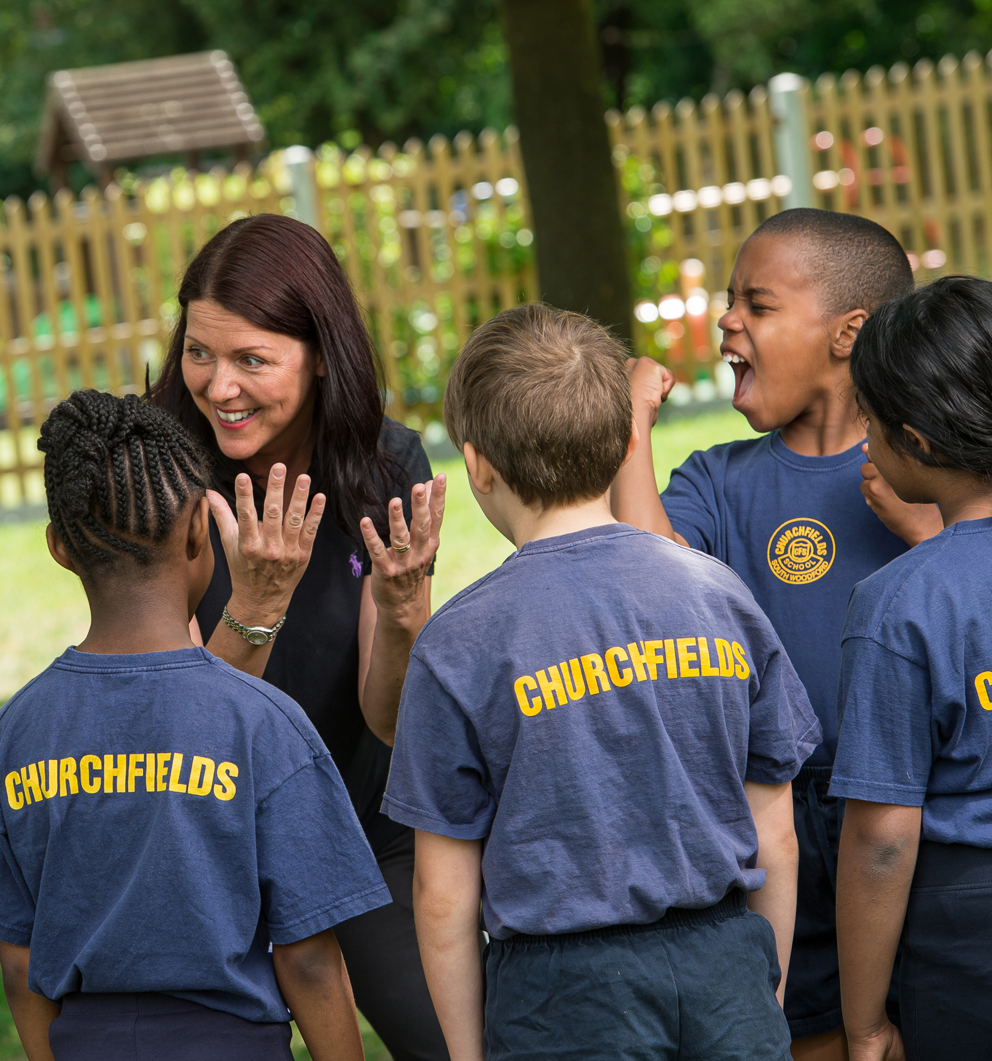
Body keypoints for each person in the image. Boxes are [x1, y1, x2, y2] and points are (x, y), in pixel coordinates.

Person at [392, 305, 820, 1061]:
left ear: (478, 464)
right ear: (628, 440)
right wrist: (763, 998)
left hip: (562, 997)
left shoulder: (458, 643)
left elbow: (442, 895)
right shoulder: (719, 595)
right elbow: (776, 838)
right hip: (726, 964)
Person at [0, 390, 392, 1061]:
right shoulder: (265, 725)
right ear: (201, 531)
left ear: (60, 548)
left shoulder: (13, 736)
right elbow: (310, 959)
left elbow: (17, 963)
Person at [609, 208, 938, 1061]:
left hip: (913, 802)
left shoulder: (929, 463)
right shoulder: (719, 479)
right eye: (731, 301)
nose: (727, 320)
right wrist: (632, 424)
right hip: (773, 812)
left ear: (847, 333)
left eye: (757, 304)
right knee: (803, 1024)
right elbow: (651, 576)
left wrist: (923, 529)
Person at [147, 213, 449, 1061]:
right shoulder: (161, 471)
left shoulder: (386, 467)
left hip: (364, 831)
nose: (219, 386)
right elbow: (185, 734)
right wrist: (256, 602)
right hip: (209, 842)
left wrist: (402, 612)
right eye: (199, 352)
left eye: (251, 359)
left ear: (319, 354)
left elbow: (390, 719)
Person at [829, 276, 992, 1061]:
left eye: (870, 420)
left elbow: (882, 839)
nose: (864, 439)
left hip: (965, 940)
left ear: (916, 441)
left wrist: (863, 1024)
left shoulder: (900, 604)